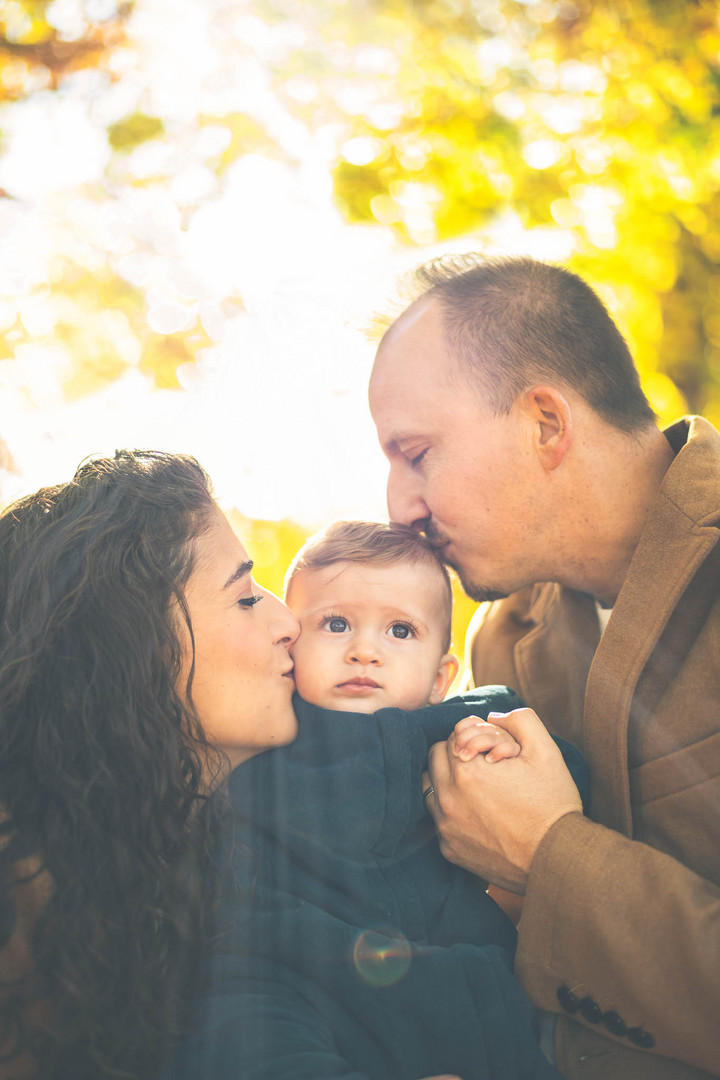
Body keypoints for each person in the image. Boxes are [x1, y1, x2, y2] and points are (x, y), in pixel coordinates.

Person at [368, 254, 720, 1080]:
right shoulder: (500, 646)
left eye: (417, 454)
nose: (397, 506)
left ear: (547, 425)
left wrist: (549, 856)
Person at [168, 520, 588, 1080]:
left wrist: (507, 748)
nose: (365, 651)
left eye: (400, 631)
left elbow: (567, 781)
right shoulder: (267, 736)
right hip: (303, 975)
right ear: (291, 644)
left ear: (442, 678)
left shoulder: (460, 724)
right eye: (337, 624)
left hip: (467, 991)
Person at [0, 449, 299, 1079]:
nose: (288, 621)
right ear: (135, 648)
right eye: (245, 597)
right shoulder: (18, 900)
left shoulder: (223, 849)